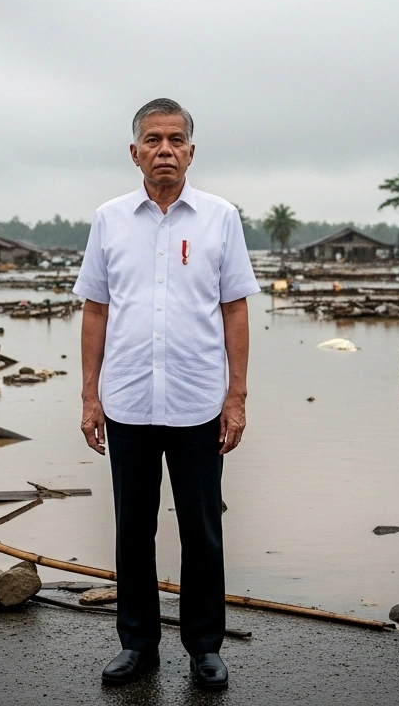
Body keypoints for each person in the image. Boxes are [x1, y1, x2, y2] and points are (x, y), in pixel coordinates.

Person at [74, 98, 259, 691]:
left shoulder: (219, 217)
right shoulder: (109, 219)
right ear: (134, 153)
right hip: (127, 399)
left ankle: (205, 648)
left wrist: (236, 398)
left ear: (191, 152)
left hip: (197, 401)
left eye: (175, 140)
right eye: (152, 140)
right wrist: (89, 397)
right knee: (134, 528)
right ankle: (138, 645)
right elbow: (96, 311)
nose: (164, 150)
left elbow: (235, 310)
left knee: (202, 529)